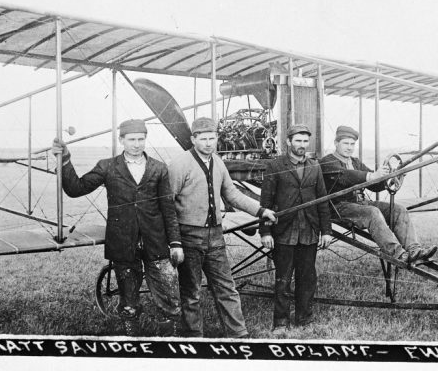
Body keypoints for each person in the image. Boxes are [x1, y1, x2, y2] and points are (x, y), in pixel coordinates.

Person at [52, 119, 183, 336]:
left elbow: (168, 209)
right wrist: (64, 159)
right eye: (131, 139)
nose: (137, 144)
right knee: (128, 295)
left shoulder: (159, 168)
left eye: (141, 139)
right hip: (123, 243)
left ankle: (168, 335)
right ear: (121, 140)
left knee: (169, 293)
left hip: (156, 242)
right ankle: (130, 337)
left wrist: (176, 243)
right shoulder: (107, 166)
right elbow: (76, 188)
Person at [168, 117, 276, 338]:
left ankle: (239, 334)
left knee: (226, 287)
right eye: (203, 138)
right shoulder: (180, 165)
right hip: (189, 235)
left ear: (217, 138)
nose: (208, 143)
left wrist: (261, 211)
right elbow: (167, 204)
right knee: (192, 291)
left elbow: (233, 194)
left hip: (215, 235)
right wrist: (174, 240)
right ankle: (194, 338)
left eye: (212, 138)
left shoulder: (218, 162)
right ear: (193, 139)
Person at [319, 125, 437, 263]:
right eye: (345, 143)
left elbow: (374, 185)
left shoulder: (355, 162)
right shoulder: (327, 162)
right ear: (336, 143)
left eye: (352, 144)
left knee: (398, 210)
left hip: (360, 204)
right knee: (372, 212)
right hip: (339, 207)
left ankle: (414, 250)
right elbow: (346, 176)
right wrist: (372, 175)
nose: (349, 147)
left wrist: (391, 178)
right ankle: (399, 254)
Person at [259, 124, 332, 335]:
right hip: (285, 231)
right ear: (288, 142)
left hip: (309, 230)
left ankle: (304, 318)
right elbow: (266, 201)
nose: (302, 145)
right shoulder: (275, 166)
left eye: (305, 141)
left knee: (307, 277)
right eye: (298, 141)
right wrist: (265, 232)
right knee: (283, 278)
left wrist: (326, 230)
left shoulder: (314, 166)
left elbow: (323, 201)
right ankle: (280, 322)